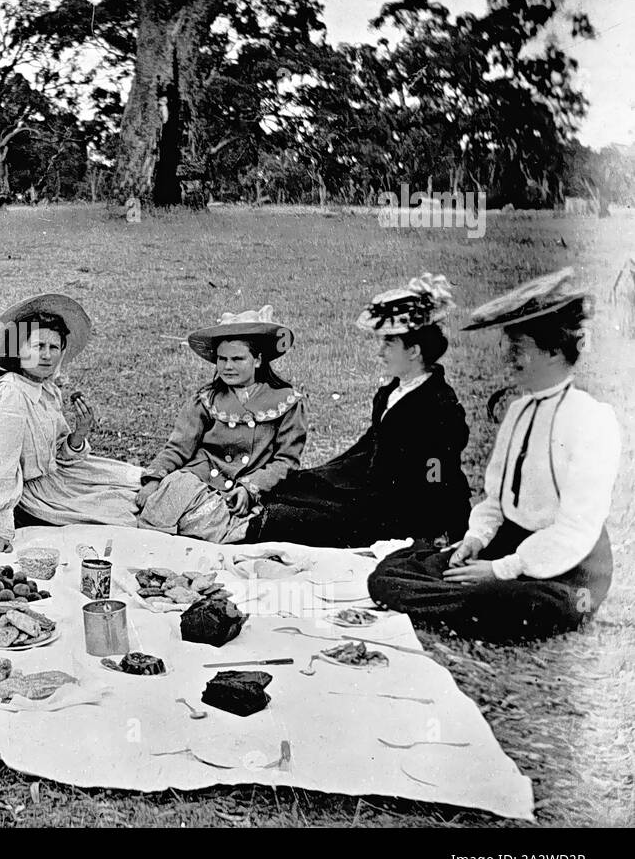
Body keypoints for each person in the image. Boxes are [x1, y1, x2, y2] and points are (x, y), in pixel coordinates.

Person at [368, 268, 620, 643]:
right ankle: (463, 594)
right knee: (387, 577)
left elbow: (576, 530)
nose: (508, 358)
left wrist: (502, 569)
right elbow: (496, 502)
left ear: (553, 352)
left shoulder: (592, 419)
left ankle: (475, 599)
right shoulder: (518, 412)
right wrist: (475, 541)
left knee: (513, 600)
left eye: (519, 348)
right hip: (509, 544)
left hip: (569, 569)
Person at [246, 273, 470, 546]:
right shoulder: (392, 392)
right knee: (293, 487)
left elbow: (436, 474)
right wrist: (325, 476)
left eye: (389, 343)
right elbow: (370, 447)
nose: (380, 352)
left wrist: (436, 530)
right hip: (373, 490)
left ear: (414, 351)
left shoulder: (439, 408)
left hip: (405, 512)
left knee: (288, 519)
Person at [0, 293, 141, 553]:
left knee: (134, 483)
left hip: (56, 478)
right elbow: (1, 463)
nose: (46, 356)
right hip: (27, 498)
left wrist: (79, 434)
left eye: (54, 348)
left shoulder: (46, 389)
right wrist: (2, 531)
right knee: (122, 513)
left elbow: (57, 454)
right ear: (19, 349)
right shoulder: (12, 394)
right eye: (38, 346)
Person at [136, 306, 307, 543]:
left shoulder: (286, 402)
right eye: (222, 359)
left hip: (243, 493)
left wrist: (251, 488)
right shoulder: (207, 399)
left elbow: (286, 460)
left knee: (243, 532)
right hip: (198, 481)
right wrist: (154, 479)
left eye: (237, 359)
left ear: (257, 360)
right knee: (159, 523)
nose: (227, 366)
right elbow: (178, 447)